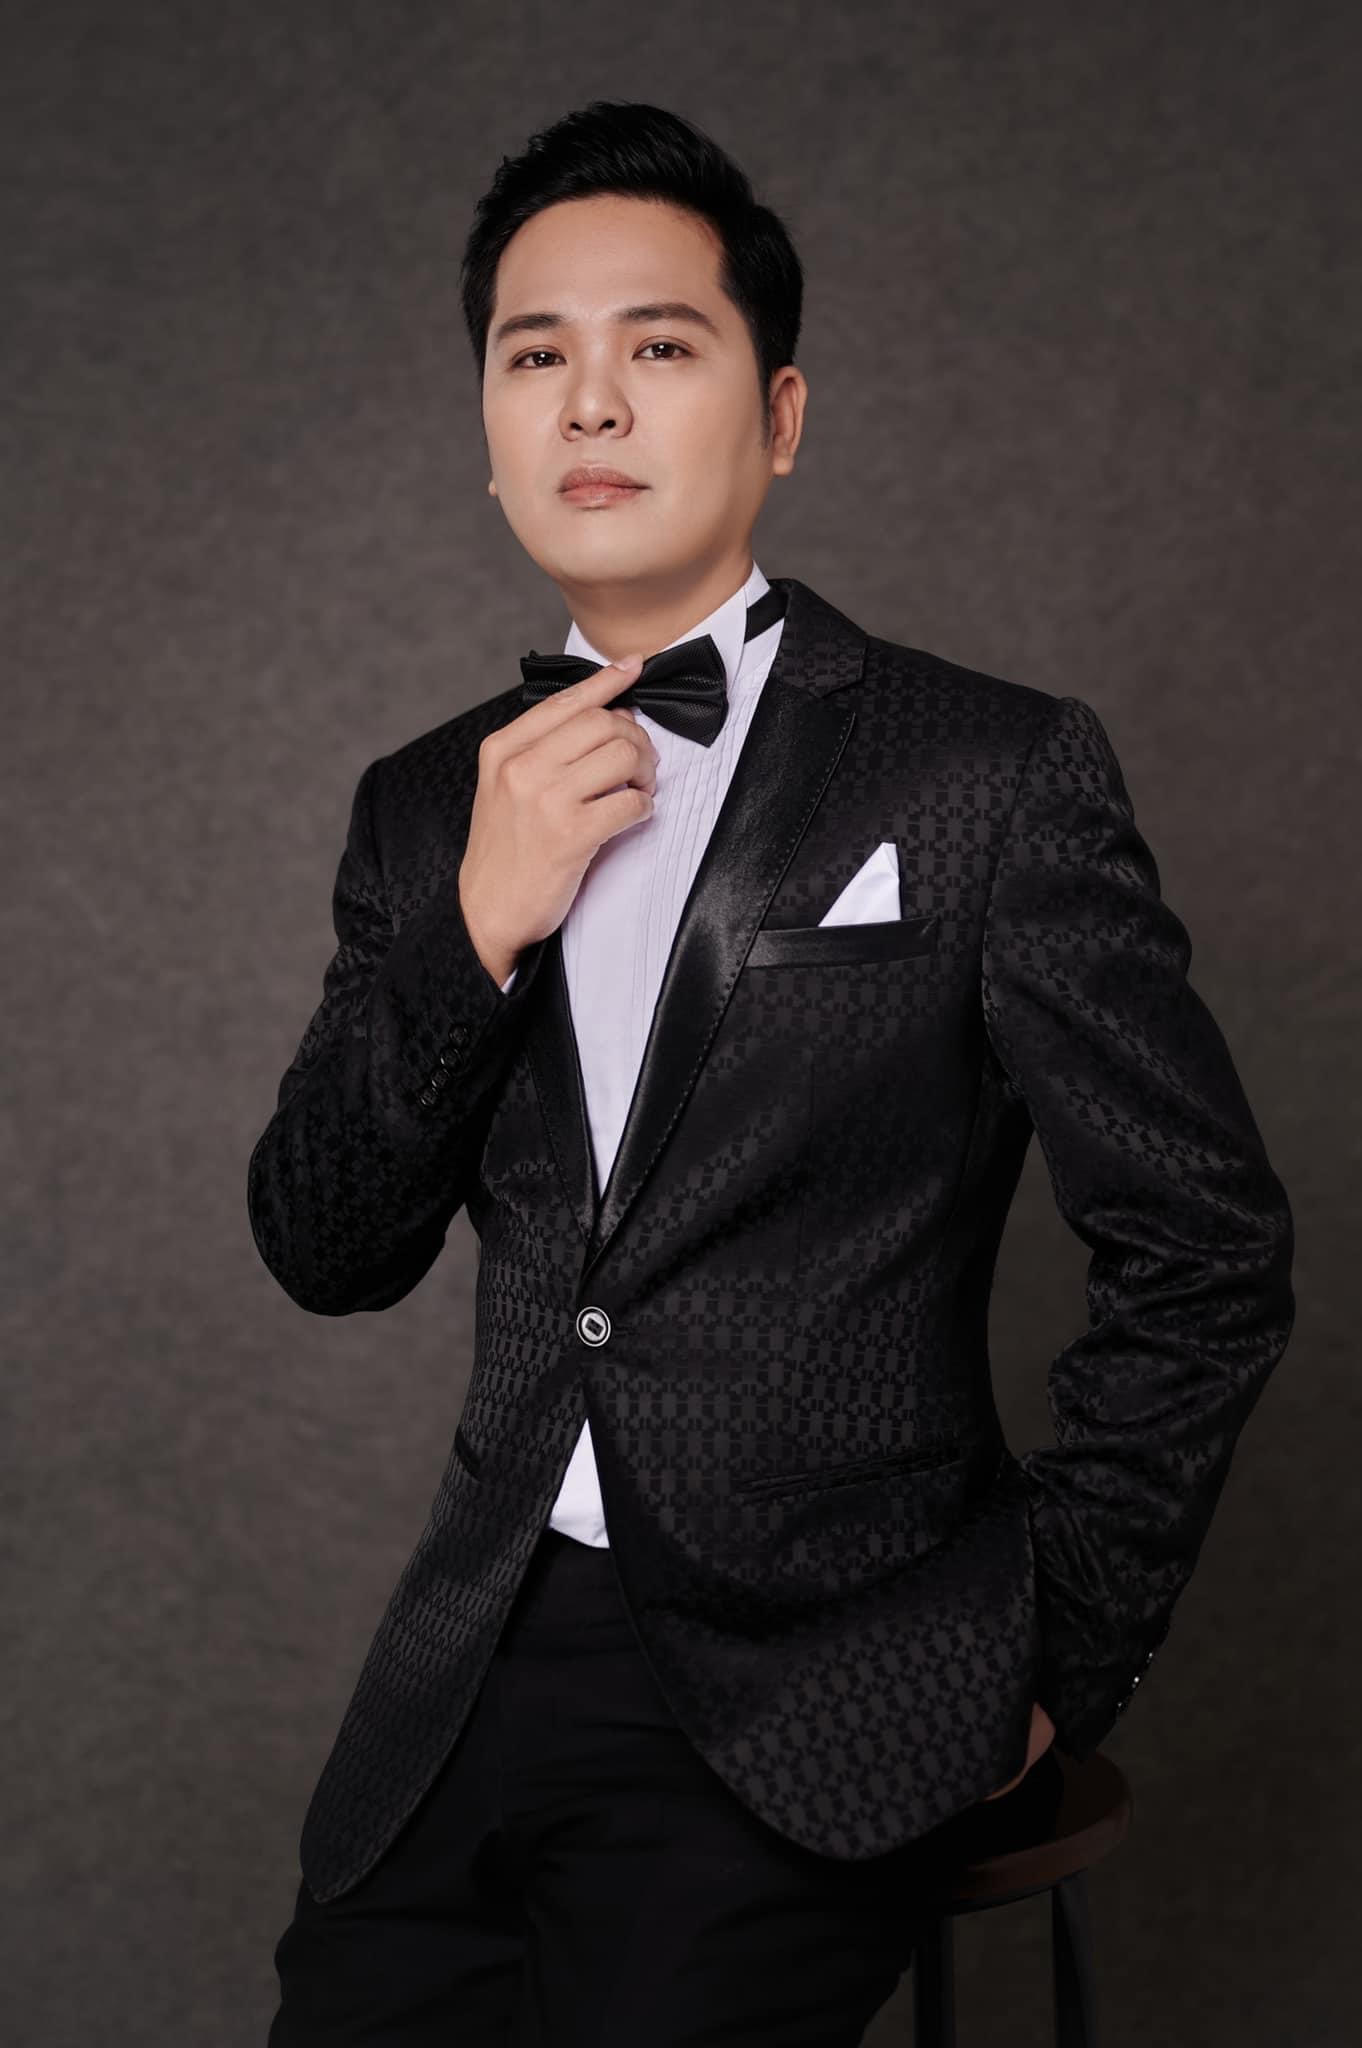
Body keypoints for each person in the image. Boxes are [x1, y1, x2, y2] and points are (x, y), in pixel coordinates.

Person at [249, 98, 1296, 2046]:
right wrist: (472, 929)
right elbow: (325, 1243)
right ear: (488, 431)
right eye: (534, 359)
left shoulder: (985, 771)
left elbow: (1206, 1248)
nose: (588, 402)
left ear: (780, 414)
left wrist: (1051, 1654)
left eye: (658, 345)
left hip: (832, 1675)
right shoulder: (421, 804)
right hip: (473, 1661)